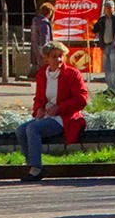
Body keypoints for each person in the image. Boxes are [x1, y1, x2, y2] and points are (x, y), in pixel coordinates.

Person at [16, 41, 88, 180]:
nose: (59, 59)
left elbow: (82, 98)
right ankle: (31, 165)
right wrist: (39, 110)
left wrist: (60, 108)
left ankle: (36, 169)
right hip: (47, 116)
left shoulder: (72, 74)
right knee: (21, 130)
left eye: (61, 56)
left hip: (65, 118)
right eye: (54, 56)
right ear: (46, 58)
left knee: (33, 129)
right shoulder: (42, 74)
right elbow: (38, 98)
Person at [29, 2, 53, 79]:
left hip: (35, 48)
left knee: (40, 69)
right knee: (45, 70)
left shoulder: (35, 21)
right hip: (43, 50)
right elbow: (45, 39)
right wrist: (46, 52)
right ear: (49, 12)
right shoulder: (44, 24)